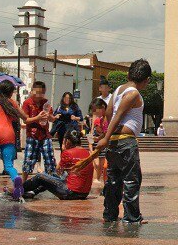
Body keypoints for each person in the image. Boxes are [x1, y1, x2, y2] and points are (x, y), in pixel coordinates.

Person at [89, 58, 153, 224]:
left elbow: (109, 112)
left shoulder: (118, 90)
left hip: (116, 141)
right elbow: (118, 116)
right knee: (131, 179)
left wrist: (110, 135)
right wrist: (106, 137)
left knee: (114, 179)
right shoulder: (133, 93)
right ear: (146, 80)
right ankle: (132, 217)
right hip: (125, 141)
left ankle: (109, 214)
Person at [23, 132, 92, 200]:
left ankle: (19, 189)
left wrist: (64, 149)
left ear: (67, 141)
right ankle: (32, 192)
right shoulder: (87, 152)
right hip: (84, 193)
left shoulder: (68, 152)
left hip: (70, 193)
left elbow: (58, 171)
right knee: (51, 175)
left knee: (40, 177)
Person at [21, 80, 56, 180]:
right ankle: (24, 183)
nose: (39, 95)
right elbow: (26, 120)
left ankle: (51, 182)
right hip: (32, 135)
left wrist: (50, 117)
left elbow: (51, 118)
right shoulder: (27, 103)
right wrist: (37, 118)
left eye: (42, 93)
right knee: (29, 159)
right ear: (32, 91)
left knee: (49, 159)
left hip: (45, 135)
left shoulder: (46, 103)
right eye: (37, 92)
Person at [88, 97, 109, 183]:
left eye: (95, 110)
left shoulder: (109, 116)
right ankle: (106, 186)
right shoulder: (100, 120)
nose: (94, 113)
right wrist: (98, 138)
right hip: (106, 144)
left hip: (112, 144)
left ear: (103, 107)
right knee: (104, 166)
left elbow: (109, 132)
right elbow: (105, 133)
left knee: (106, 166)